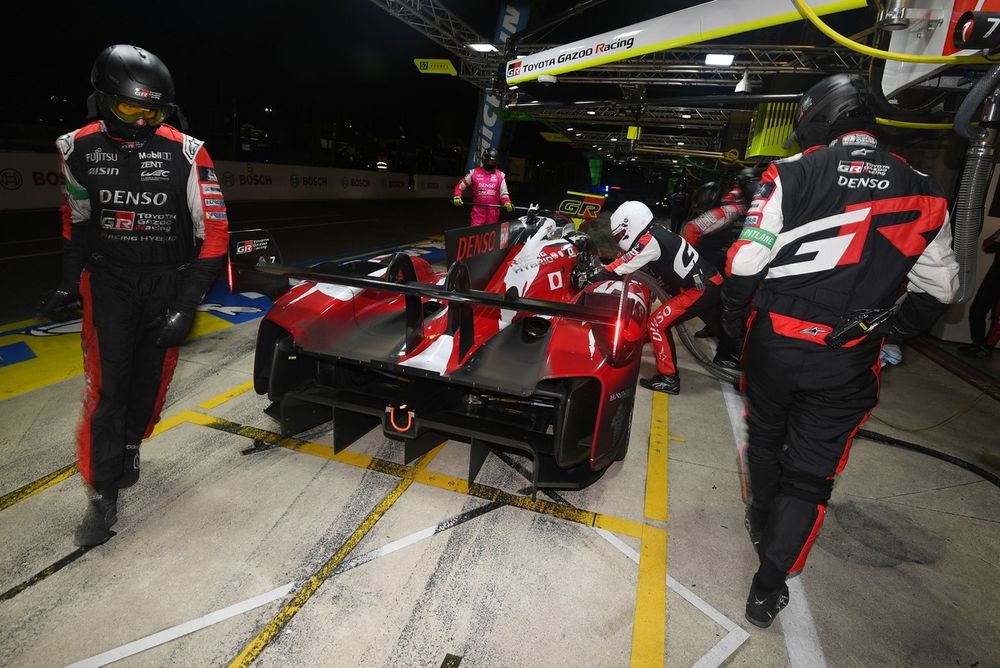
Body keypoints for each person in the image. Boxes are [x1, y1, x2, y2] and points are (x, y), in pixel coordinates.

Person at [720, 74, 959, 628]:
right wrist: (894, 333)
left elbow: (746, 263)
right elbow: (942, 292)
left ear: (816, 118)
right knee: (811, 473)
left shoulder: (792, 173)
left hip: (775, 342)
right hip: (849, 356)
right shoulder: (926, 189)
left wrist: (734, 320)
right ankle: (767, 586)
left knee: (765, 434)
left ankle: (761, 516)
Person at [37, 44, 229, 547]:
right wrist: (66, 279)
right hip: (110, 284)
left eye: (155, 110)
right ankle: (102, 495)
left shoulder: (188, 151)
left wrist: (187, 305)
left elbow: (214, 236)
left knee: (149, 387)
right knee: (107, 390)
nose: (144, 120)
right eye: (132, 108)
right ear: (103, 99)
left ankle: (130, 443)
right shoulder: (74, 147)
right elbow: (74, 221)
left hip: (168, 282)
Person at [574, 200, 724, 394]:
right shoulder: (657, 232)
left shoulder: (649, 240)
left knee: (657, 324)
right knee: (718, 326)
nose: (620, 238)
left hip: (700, 288)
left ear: (630, 225)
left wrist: (591, 276)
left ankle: (669, 378)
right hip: (708, 281)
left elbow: (619, 267)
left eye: (620, 234)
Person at [958, 229, 1000, 358]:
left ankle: (985, 348)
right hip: (994, 277)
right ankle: (978, 343)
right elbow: (986, 246)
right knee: (977, 310)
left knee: (998, 317)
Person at [453, 148, 513, 226]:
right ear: (485, 159)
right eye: (490, 161)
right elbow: (461, 185)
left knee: (491, 236)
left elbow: (504, 193)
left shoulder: (500, 175)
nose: (492, 163)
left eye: (494, 161)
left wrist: (507, 202)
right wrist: (457, 196)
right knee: (475, 234)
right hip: (478, 211)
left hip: (493, 212)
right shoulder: (474, 173)